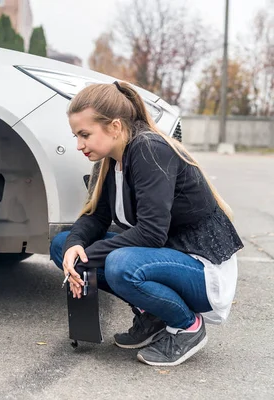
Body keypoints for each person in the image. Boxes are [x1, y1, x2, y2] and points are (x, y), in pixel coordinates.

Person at [50, 81, 243, 367]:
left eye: (85, 134)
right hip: (163, 258)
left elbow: (152, 233)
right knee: (61, 245)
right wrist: (76, 246)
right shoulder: (110, 160)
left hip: (202, 269)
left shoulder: (149, 150)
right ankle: (152, 315)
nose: (79, 145)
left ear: (115, 127)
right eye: (77, 135)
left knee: (119, 263)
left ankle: (186, 326)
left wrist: (88, 256)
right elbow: (96, 217)